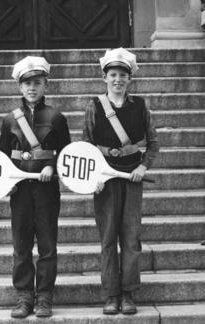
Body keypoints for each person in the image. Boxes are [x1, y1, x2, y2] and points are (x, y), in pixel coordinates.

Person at [83, 48, 159, 315]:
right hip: (105, 181)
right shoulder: (94, 106)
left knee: (130, 238)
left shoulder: (140, 106)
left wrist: (143, 166)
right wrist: (94, 177)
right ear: (105, 78)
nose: (118, 79)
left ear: (130, 78)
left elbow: (153, 143)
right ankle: (110, 295)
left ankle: (128, 293)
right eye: (113, 74)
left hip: (131, 179)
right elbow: (87, 147)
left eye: (123, 75)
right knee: (107, 238)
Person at [0, 56, 71, 318]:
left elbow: (67, 155)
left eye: (37, 83)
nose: (32, 88)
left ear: (46, 86)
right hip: (20, 192)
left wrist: (53, 166)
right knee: (21, 244)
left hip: (46, 190)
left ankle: (44, 298)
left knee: (48, 245)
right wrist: (5, 182)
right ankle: (23, 297)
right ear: (19, 87)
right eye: (27, 83)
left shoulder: (57, 117)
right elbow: (1, 157)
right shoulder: (9, 120)